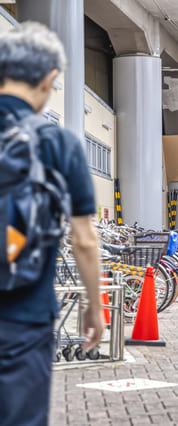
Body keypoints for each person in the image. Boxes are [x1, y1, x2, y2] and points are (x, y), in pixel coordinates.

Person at [0, 22, 103, 425]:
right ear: (48, 79)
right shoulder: (58, 144)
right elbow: (84, 241)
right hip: (25, 314)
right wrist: (94, 308)